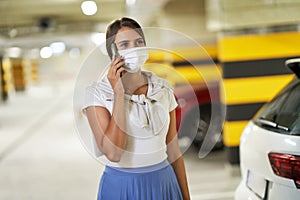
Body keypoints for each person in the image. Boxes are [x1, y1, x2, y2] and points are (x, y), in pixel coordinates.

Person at [83, 17, 190, 200]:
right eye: (125, 44)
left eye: (139, 42)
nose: (134, 49)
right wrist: (118, 93)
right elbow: (113, 153)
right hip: (122, 187)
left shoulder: (163, 90)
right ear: (113, 53)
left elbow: (173, 152)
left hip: (163, 182)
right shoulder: (97, 94)